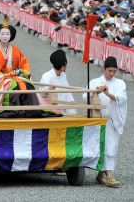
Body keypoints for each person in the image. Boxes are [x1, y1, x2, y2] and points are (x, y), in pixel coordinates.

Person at [0, 18, 45, 118]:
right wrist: (5, 76)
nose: (5, 36)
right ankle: (12, 112)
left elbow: (24, 63)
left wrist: (22, 71)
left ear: (11, 36)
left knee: (27, 84)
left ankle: (29, 110)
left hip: (14, 75)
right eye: (2, 34)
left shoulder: (16, 50)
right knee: (11, 85)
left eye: (7, 34)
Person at [86, 56, 127, 188]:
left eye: (114, 71)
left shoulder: (120, 83)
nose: (112, 74)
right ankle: (104, 173)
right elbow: (83, 96)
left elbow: (122, 98)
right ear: (104, 69)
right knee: (100, 146)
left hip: (112, 120)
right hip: (98, 120)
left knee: (111, 146)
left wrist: (109, 94)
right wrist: (95, 92)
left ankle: (108, 175)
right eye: (109, 70)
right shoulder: (94, 81)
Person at [39, 49, 77, 115]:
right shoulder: (46, 76)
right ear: (62, 65)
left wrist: (73, 113)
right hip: (51, 113)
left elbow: (68, 95)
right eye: (65, 63)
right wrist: (47, 90)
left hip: (64, 112)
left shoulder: (63, 76)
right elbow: (41, 96)